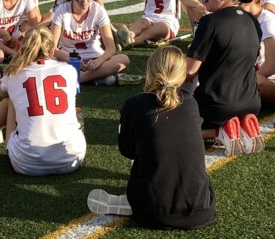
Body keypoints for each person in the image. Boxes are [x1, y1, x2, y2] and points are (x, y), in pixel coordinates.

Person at [87, 46, 217, 230]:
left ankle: (144, 196)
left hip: (152, 213)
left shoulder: (134, 104)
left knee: (141, 157)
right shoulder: (191, 103)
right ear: (182, 75)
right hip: (202, 209)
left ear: (150, 71)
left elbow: (127, 151)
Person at [0, 27, 86, 176]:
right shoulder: (69, 70)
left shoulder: (15, 73)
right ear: (51, 51)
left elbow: (2, 92)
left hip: (27, 163)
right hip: (71, 158)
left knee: (10, 99)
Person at [185, 0, 262, 155]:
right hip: (251, 102)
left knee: (169, 127)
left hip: (216, 106)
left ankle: (220, 131)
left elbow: (189, 70)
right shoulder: (253, 21)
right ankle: (244, 126)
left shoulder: (210, 22)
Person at [50, 0, 131, 85]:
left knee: (123, 59)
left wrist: (98, 61)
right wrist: (71, 59)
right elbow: (52, 47)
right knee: (47, 61)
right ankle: (98, 78)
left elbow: (111, 48)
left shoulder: (98, 10)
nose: (84, 0)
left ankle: (82, 78)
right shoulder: (62, 10)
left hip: (94, 57)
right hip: (68, 58)